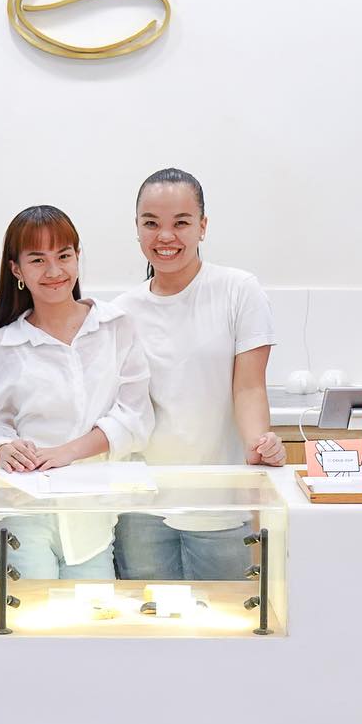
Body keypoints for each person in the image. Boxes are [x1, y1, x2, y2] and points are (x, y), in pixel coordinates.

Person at [115, 167, 284, 581]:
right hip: (142, 507)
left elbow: (248, 387)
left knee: (228, 614)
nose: (165, 236)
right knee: (147, 615)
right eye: (151, 223)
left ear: (202, 226)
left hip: (219, 501)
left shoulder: (238, 290)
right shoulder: (121, 312)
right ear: (136, 228)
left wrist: (259, 446)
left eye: (181, 223)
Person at [0, 205, 153, 580]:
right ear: (17, 270)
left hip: (92, 517)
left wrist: (64, 453)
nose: (54, 271)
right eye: (38, 260)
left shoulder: (115, 326)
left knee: (94, 612)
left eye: (64, 256)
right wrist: (3, 448)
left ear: (78, 257)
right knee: (33, 614)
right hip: (25, 513)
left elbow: (134, 418)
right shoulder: (1, 345)